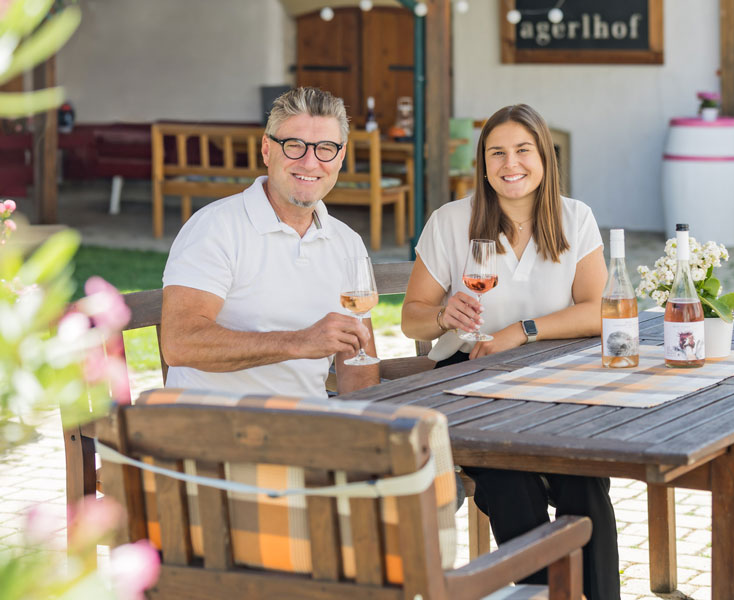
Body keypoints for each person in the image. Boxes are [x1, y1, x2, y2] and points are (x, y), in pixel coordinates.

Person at [401, 104, 619, 599]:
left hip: (557, 376)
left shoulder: (574, 217)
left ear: (545, 156)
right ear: (483, 163)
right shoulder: (451, 221)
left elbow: (601, 311)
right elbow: (410, 315)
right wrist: (440, 316)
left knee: (584, 478)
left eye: (523, 150)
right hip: (469, 377)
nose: (509, 163)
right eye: (496, 152)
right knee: (507, 478)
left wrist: (521, 330)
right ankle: (546, 595)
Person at [160, 87, 379, 398]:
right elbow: (179, 342)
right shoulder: (216, 227)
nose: (310, 162)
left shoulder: (347, 241)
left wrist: (366, 430)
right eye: (294, 146)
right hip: (213, 429)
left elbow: (357, 363)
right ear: (266, 149)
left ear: (340, 156)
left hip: (308, 428)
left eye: (326, 148)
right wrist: (299, 342)